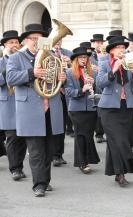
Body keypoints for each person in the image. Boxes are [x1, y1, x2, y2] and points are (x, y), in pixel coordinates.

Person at [6, 23, 66, 197]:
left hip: (50, 107)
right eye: (33, 38)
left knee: (48, 149)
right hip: (30, 109)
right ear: (25, 40)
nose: (37, 41)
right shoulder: (17, 57)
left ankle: (45, 181)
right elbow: (10, 78)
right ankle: (38, 184)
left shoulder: (53, 55)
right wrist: (32, 73)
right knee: (36, 150)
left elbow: (58, 79)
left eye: (40, 38)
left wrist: (62, 78)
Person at [97, 36, 133, 186]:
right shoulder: (104, 63)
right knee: (119, 140)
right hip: (109, 109)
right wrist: (114, 69)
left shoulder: (129, 63)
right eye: (118, 48)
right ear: (112, 51)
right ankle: (122, 172)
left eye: (123, 48)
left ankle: (117, 172)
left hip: (126, 107)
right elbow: (100, 83)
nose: (122, 50)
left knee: (116, 142)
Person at [65, 46, 100, 174]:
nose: (83, 59)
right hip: (76, 109)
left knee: (89, 135)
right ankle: (82, 162)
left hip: (91, 108)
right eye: (81, 57)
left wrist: (94, 84)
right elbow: (68, 92)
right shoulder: (69, 73)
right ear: (75, 59)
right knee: (80, 135)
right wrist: (82, 90)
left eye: (85, 57)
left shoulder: (93, 73)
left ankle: (87, 159)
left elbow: (99, 90)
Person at [0, 30, 27, 180]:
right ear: (5, 45)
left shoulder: (22, 60)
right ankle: (14, 169)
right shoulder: (0, 62)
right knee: (11, 137)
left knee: (22, 137)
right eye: (11, 42)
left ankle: (20, 166)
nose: (14, 45)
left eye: (16, 42)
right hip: (7, 104)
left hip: (23, 102)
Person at [50, 37, 73, 166]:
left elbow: (75, 71)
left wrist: (69, 64)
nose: (58, 42)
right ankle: (51, 153)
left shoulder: (68, 53)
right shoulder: (46, 52)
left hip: (65, 93)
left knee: (61, 124)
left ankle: (58, 154)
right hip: (53, 92)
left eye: (60, 39)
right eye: (56, 39)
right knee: (51, 124)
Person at [90, 34, 107, 144]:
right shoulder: (90, 56)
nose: (99, 44)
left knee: (102, 109)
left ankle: (101, 132)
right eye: (97, 42)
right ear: (93, 44)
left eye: (101, 42)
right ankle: (97, 133)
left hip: (104, 84)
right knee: (95, 110)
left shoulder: (106, 55)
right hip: (93, 84)